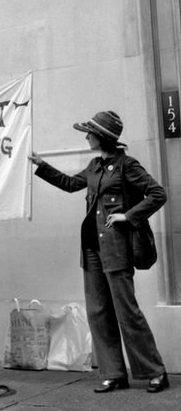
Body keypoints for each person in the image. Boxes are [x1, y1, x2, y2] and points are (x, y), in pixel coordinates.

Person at [29, 110, 169, 394]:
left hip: (116, 250)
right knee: (98, 313)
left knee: (127, 313)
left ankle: (154, 372)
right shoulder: (93, 166)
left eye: (89, 133)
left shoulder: (127, 166)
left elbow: (158, 193)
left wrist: (128, 216)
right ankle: (114, 373)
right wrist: (41, 166)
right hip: (91, 249)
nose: (86, 137)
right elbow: (70, 185)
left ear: (101, 136)